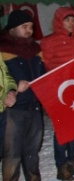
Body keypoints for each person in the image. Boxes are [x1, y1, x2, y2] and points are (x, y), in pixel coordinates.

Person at [40, 7, 74, 180]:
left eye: (73, 20)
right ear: (59, 21)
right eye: (67, 20)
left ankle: (73, 162)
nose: (71, 23)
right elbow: (46, 68)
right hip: (59, 93)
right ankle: (61, 167)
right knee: (62, 130)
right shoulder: (48, 42)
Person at [0, 10, 45, 180]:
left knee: (32, 151)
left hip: (34, 106)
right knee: (12, 153)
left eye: (31, 27)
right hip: (13, 109)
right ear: (12, 29)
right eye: (24, 26)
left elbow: (42, 73)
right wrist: (12, 90)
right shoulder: (3, 48)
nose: (29, 30)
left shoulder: (35, 48)